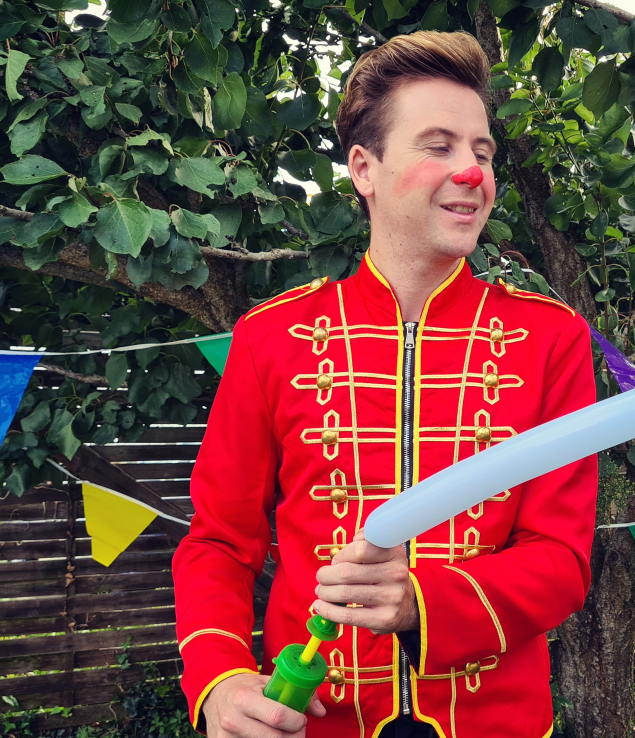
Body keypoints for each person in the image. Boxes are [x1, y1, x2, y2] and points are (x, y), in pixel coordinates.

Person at [173, 30, 597, 738]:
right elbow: (219, 542)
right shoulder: (270, 337)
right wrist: (219, 678)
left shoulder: (551, 338)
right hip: (313, 721)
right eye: (439, 147)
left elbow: (562, 560)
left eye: (482, 152)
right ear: (364, 169)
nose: (472, 173)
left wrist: (420, 605)